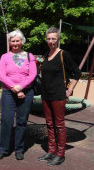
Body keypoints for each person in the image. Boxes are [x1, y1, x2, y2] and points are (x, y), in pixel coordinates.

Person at [38, 27, 81, 166]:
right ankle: (51, 151)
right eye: (49, 39)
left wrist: (69, 90)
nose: (51, 41)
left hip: (58, 95)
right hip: (46, 95)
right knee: (49, 124)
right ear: (46, 40)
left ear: (58, 39)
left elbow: (76, 72)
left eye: (53, 39)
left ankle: (60, 154)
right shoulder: (45, 55)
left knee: (59, 125)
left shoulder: (63, 54)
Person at [0, 29, 37, 160]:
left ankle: (19, 149)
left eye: (17, 40)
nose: (15, 43)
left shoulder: (30, 56)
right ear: (10, 42)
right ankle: (4, 149)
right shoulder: (4, 57)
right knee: (6, 121)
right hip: (9, 92)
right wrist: (15, 88)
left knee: (21, 121)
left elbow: (33, 75)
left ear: (22, 41)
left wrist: (22, 87)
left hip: (27, 92)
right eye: (12, 41)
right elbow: (2, 76)